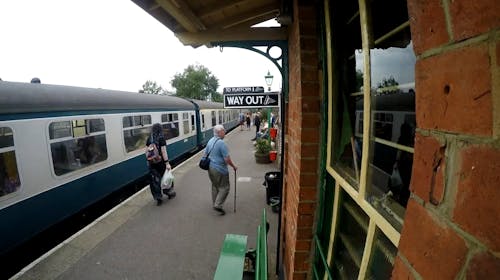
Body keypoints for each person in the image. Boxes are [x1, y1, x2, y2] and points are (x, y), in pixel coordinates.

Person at [205, 125, 237, 215]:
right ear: (219, 132)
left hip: (210, 168)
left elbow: (205, 154)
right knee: (225, 187)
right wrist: (233, 166)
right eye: (223, 131)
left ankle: (215, 203)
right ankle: (218, 205)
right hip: (220, 169)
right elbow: (227, 159)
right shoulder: (221, 143)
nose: (225, 132)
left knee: (215, 186)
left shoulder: (210, 141)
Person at [145, 123, 173, 206]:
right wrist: (167, 163)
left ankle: (158, 198)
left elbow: (146, 152)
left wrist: (149, 161)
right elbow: (164, 152)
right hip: (161, 163)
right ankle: (169, 193)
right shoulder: (161, 139)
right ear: (160, 130)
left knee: (155, 181)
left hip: (152, 164)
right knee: (166, 179)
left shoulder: (149, 139)